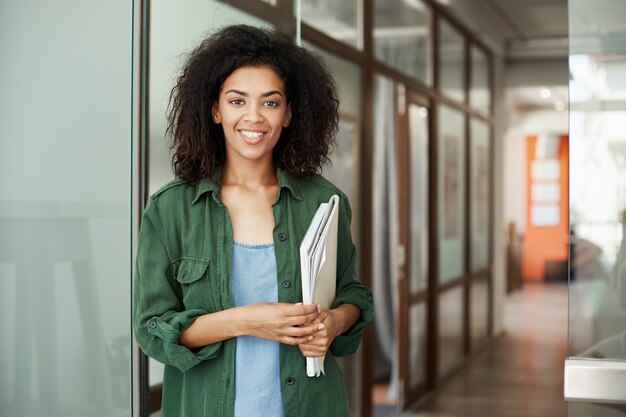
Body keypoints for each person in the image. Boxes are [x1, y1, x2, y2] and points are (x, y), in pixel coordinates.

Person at [134, 24, 374, 417]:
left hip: (311, 405)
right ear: (215, 110)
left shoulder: (323, 201)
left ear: (289, 112)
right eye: (237, 101)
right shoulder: (169, 209)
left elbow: (354, 295)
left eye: (270, 102)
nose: (254, 117)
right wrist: (246, 320)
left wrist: (333, 322)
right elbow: (151, 328)